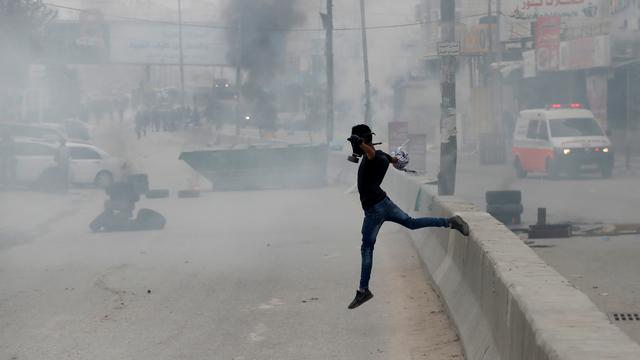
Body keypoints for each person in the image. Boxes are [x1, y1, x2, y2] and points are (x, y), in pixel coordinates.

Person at [346, 124, 470, 309]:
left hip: (374, 210)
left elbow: (370, 153)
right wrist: (397, 157)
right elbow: (394, 160)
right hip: (385, 203)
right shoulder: (382, 156)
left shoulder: (372, 156)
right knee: (411, 223)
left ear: (362, 141)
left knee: (367, 248)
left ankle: (363, 290)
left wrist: (360, 143)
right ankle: (450, 222)